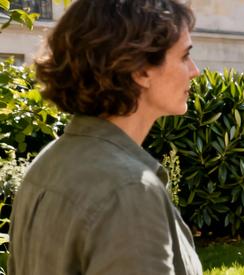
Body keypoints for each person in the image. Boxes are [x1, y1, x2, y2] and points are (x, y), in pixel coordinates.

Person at [8, 0, 202, 274]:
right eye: (184, 56)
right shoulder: (129, 190)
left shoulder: (47, 164)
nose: (195, 70)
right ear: (141, 70)